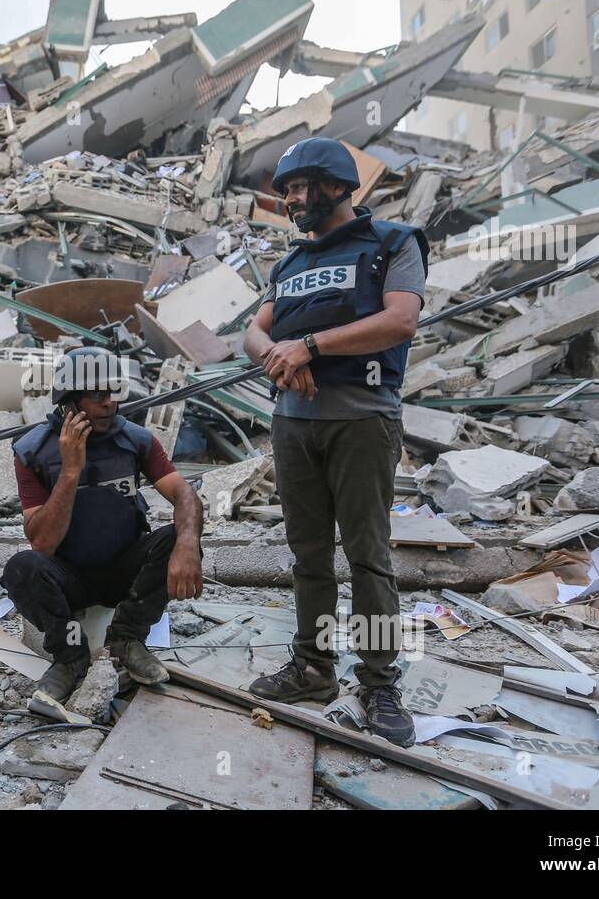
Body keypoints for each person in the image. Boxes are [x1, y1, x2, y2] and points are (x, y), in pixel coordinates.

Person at [241, 137, 428, 746]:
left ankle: (378, 683)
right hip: (293, 425)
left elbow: (401, 320)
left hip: (361, 421)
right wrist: (276, 354)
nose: (295, 199)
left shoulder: (392, 243)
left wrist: (312, 347)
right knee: (309, 556)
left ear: (340, 186)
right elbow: (252, 330)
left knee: (368, 557)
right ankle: (314, 668)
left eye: (304, 187)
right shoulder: (288, 265)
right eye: (288, 190)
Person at [2, 346, 204, 703]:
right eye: (98, 395)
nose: (110, 402)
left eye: (114, 392)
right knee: (22, 568)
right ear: (69, 401)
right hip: (69, 577)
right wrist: (69, 471)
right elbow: (42, 544)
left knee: (177, 536)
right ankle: (70, 659)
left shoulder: (134, 440)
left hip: (122, 569)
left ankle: (126, 639)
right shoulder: (32, 452)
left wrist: (188, 543)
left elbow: (184, 494)